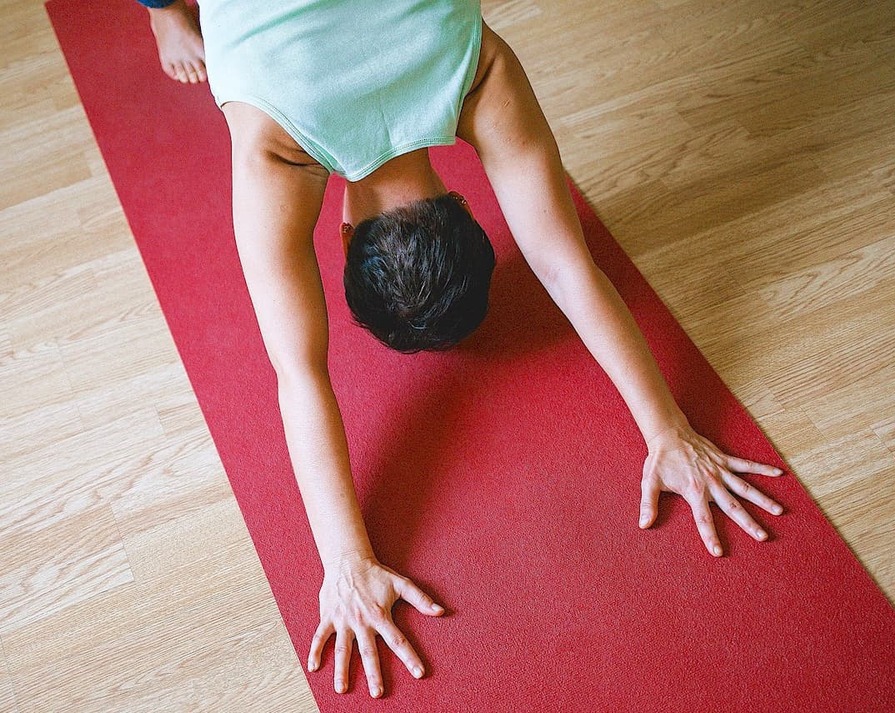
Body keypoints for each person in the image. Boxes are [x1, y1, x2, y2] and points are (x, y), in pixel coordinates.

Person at [140, 0, 786, 699]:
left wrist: (669, 429)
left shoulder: (479, 73)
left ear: (468, 209)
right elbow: (296, 372)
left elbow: (566, 265)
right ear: (345, 238)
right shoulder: (277, 151)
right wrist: (343, 561)